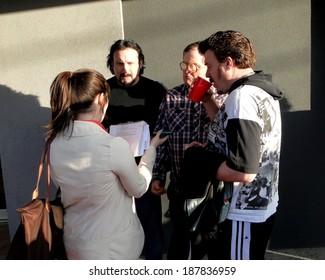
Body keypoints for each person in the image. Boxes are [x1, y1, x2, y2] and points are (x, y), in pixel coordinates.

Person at [46, 68, 167, 260]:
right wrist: (150, 151)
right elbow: (139, 187)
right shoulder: (112, 145)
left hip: (74, 241)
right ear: (101, 99)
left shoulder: (54, 143)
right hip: (113, 247)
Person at [183, 30, 283, 259]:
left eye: (209, 65)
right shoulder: (259, 90)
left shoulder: (242, 98)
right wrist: (208, 100)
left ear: (228, 62)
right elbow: (237, 137)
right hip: (257, 207)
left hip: (243, 212)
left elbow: (243, 170)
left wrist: (201, 160)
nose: (207, 74)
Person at [151, 41, 226, 260]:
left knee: (214, 242)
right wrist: (158, 175)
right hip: (180, 185)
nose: (188, 71)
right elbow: (162, 138)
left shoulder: (222, 96)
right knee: (182, 245)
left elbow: (227, 137)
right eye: (184, 65)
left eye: (194, 66)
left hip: (214, 187)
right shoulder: (171, 97)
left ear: (208, 67)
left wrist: (207, 100)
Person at [103, 39, 167, 260]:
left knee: (151, 235)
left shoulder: (156, 91)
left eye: (130, 62)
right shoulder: (102, 90)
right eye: (119, 63)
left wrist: (159, 174)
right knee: (115, 237)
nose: (125, 69)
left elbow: (166, 131)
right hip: (111, 177)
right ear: (112, 64)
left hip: (144, 172)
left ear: (140, 63)